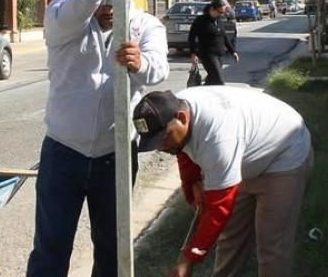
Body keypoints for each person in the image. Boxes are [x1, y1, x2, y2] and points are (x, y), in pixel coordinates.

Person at [26, 0, 170, 277]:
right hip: (63, 151)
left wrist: (141, 64)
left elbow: (158, 67)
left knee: (111, 249)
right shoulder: (65, 15)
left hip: (115, 154)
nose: (107, 5)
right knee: (51, 247)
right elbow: (67, 16)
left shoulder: (145, 25)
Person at [132, 87, 313, 277]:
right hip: (242, 154)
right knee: (230, 240)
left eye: (163, 138)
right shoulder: (177, 107)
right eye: (155, 142)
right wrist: (191, 187)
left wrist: (187, 260)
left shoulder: (217, 137)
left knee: (271, 245)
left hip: (283, 154)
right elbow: (182, 149)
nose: (161, 147)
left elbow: (219, 210)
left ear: (182, 118)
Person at [188, 0, 238, 86]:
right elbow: (191, 37)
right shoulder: (200, 20)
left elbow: (224, 36)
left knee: (212, 81)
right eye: (220, 12)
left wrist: (232, 51)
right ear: (212, 9)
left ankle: (202, 95)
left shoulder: (218, 20)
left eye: (222, 12)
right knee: (220, 81)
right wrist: (193, 53)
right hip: (208, 55)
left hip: (220, 55)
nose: (221, 14)